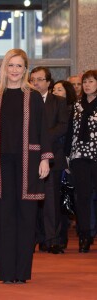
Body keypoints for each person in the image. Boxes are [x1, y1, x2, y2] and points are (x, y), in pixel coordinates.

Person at [0, 49, 53, 284]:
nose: (15, 70)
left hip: (29, 163)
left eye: (19, 66)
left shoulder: (34, 96)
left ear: (25, 69)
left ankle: (22, 272)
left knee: (26, 216)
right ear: (4, 68)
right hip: (1, 164)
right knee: (4, 216)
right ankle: (7, 272)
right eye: (11, 65)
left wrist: (45, 159)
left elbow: (43, 129)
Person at [30, 67, 69, 254]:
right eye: (33, 79)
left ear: (48, 82)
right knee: (32, 201)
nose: (36, 83)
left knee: (51, 201)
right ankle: (36, 238)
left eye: (39, 79)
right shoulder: (26, 100)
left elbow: (62, 126)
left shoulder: (59, 102)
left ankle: (52, 239)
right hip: (29, 158)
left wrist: (41, 139)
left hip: (52, 157)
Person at [65, 69, 97, 253]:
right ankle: (84, 235)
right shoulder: (77, 104)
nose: (86, 85)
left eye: (91, 81)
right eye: (85, 82)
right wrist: (67, 155)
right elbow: (71, 131)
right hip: (79, 156)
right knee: (82, 197)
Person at [52, 80, 78, 249]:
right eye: (54, 89)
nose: (55, 92)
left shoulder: (72, 110)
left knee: (62, 198)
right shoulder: (50, 107)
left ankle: (61, 238)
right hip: (55, 157)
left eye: (59, 89)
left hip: (65, 158)